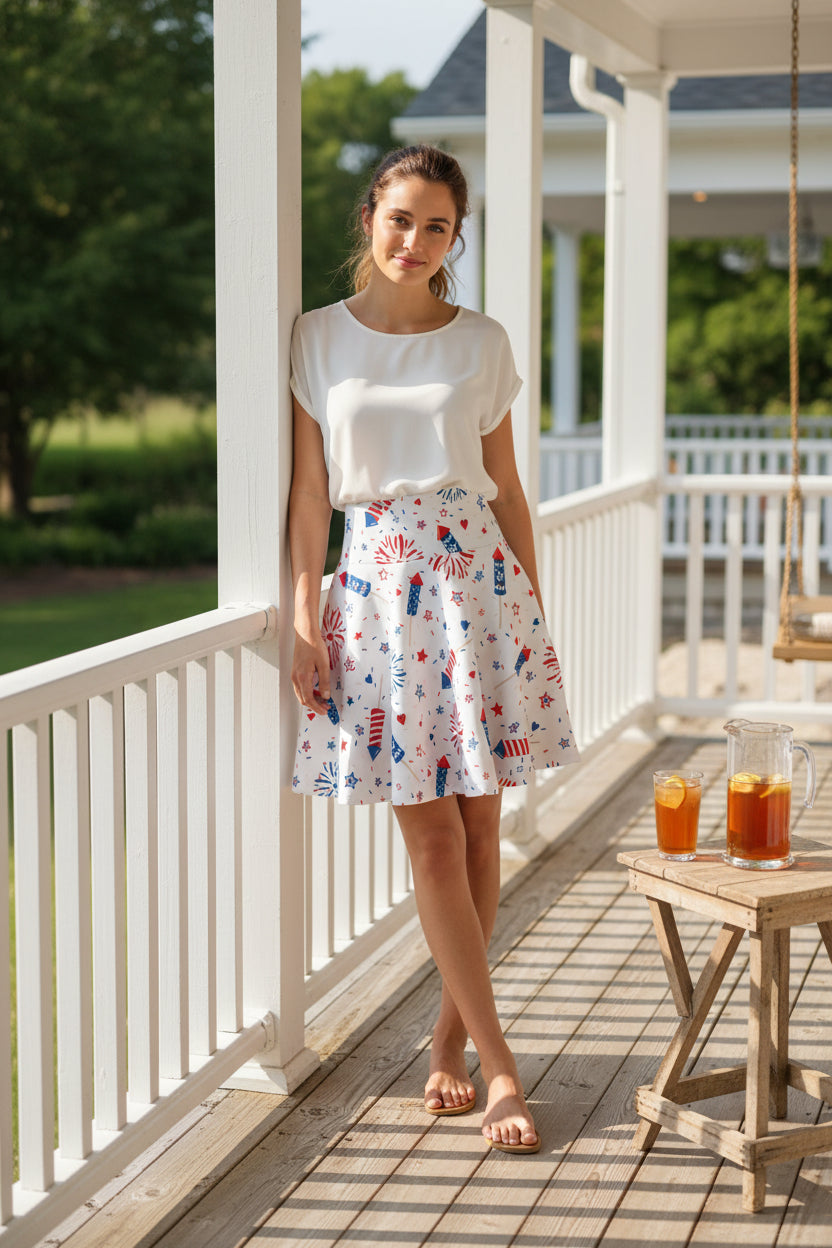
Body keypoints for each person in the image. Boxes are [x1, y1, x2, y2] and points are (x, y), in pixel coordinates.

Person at [289, 144, 579, 1154]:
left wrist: (531, 619)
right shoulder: (317, 337)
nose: (415, 240)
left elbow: (509, 489)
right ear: (371, 216)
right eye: (400, 218)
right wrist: (302, 614)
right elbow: (310, 496)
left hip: (481, 589)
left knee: (483, 828)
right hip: (378, 595)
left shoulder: (482, 342)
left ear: (456, 238)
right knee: (434, 840)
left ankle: (449, 1043)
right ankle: (502, 1067)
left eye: (437, 226)